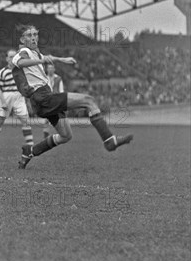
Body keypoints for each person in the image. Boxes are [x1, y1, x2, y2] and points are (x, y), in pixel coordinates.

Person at [11, 24, 133, 169]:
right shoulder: (23, 52)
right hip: (42, 97)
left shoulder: (35, 53)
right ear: (22, 39)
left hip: (44, 99)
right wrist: (42, 60)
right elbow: (21, 62)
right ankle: (109, 140)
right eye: (29, 35)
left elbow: (47, 58)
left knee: (66, 136)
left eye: (35, 34)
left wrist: (63, 59)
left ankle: (30, 151)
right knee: (89, 101)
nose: (33, 38)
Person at [0, 49, 34, 153]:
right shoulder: (3, 71)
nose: (12, 58)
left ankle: (31, 146)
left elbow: (25, 87)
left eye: (14, 56)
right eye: (10, 56)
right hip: (6, 96)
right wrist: (3, 102)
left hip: (19, 96)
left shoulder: (22, 71)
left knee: (26, 121)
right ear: (6, 58)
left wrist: (28, 100)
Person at [43, 63, 64, 138]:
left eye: (52, 68)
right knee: (47, 118)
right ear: (47, 69)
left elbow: (61, 91)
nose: (50, 70)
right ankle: (45, 135)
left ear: (54, 69)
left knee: (58, 119)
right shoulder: (44, 78)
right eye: (49, 68)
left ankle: (61, 134)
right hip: (47, 101)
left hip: (56, 101)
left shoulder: (58, 78)